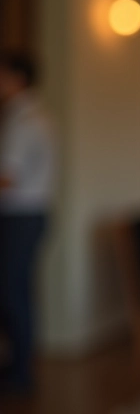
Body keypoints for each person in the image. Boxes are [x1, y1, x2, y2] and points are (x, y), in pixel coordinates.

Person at [0, 52, 54, 393]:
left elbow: (8, 177)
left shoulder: (24, 121)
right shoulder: (36, 115)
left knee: (12, 291)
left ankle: (20, 371)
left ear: (16, 78)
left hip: (20, 215)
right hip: (30, 215)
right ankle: (18, 365)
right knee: (16, 289)